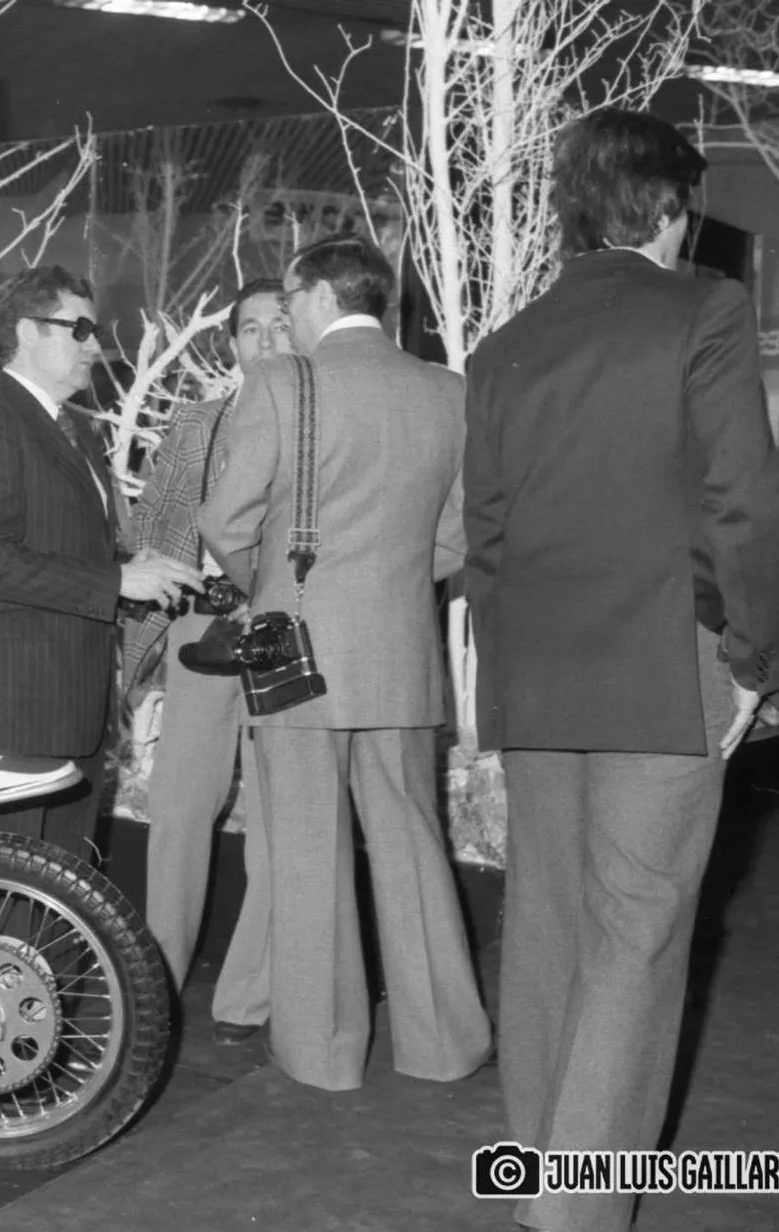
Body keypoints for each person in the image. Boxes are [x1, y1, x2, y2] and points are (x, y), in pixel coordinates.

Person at [463, 109, 779, 1232]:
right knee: (636, 931)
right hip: (666, 666)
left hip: (537, 674)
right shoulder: (704, 309)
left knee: (548, 924)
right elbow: (746, 504)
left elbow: (487, 538)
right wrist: (761, 662)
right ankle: (575, 1211)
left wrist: (499, 682)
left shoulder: (506, 345)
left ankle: (533, 1171)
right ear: (665, 206)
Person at [198, 233, 490, 1092]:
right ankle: (443, 1045)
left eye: (290, 300)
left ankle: (323, 1053)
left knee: (307, 851)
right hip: (399, 650)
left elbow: (225, 522)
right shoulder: (447, 392)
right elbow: (457, 536)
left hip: (296, 653)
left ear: (323, 296)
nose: (285, 315)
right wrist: (385, 586)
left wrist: (273, 590)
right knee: (412, 845)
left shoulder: (282, 383)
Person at [0, 264, 206, 856]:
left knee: (62, 892)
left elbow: (66, 547)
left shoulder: (75, 429)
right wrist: (117, 578)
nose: (94, 344)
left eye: (95, 331)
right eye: (79, 329)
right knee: (5, 889)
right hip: (13, 715)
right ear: (26, 332)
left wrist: (136, 566)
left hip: (76, 710)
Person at [121, 277, 293, 1038]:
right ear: (233, 343)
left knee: (278, 815)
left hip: (284, 635)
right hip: (200, 626)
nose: (267, 340)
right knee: (178, 807)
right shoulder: (198, 421)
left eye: (280, 324)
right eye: (251, 329)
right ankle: (158, 981)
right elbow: (154, 521)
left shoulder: (322, 423)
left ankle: (248, 998)